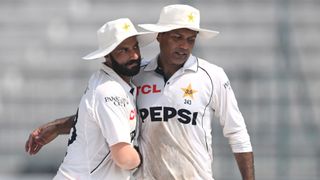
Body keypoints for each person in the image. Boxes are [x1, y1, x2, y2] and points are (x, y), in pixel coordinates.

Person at [25, 4, 255, 180]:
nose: (184, 45)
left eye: (190, 39)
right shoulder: (136, 73)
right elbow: (104, 115)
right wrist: (57, 126)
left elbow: (238, 134)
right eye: (177, 37)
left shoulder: (212, 76)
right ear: (160, 36)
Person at [31, 18, 156, 179]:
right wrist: (151, 157)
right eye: (122, 50)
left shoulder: (106, 81)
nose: (133, 55)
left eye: (135, 47)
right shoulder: (110, 91)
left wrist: (57, 127)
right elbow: (124, 158)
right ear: (107, 56)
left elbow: (93, 118)